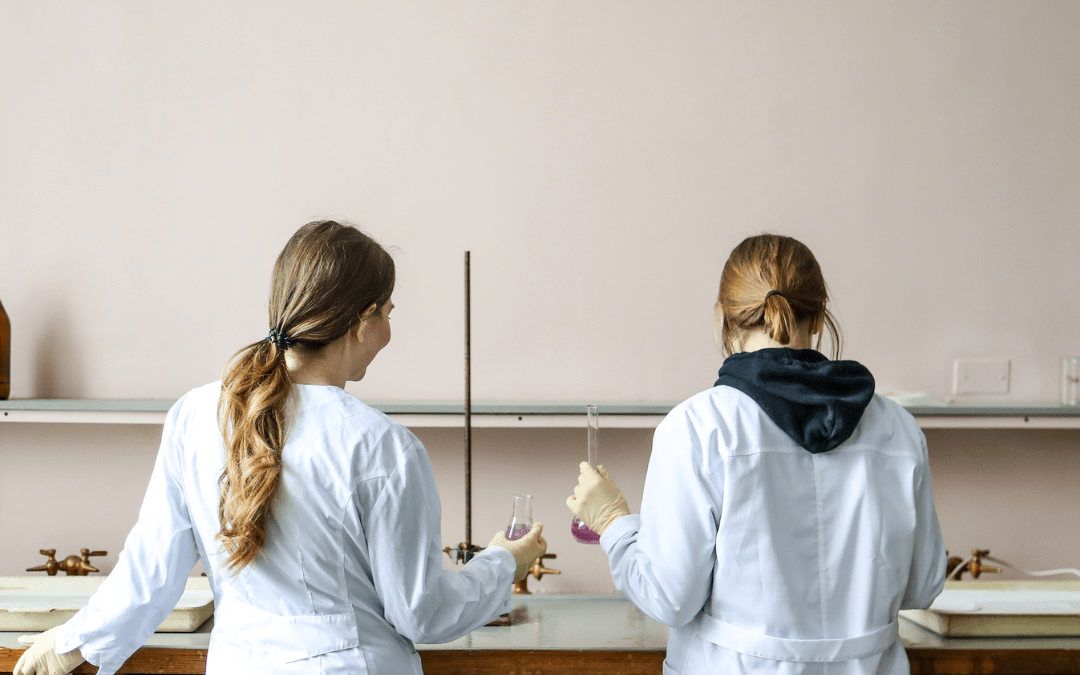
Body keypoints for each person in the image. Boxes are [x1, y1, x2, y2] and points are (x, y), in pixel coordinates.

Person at [16, 220, 546, 675]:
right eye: (387, 312)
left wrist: (68, 644)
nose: (388, 330)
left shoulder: (198, 416)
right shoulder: (383, 447)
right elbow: (421, 613)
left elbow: (150, 577)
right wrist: (504, 563)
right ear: (362, 322)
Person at [567, 234, 946, 675]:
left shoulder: (697, 428)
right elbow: (922, 587)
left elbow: (670, 598)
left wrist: (613, 522)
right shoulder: (898, 429)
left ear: (722, 320)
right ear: (820, 315)